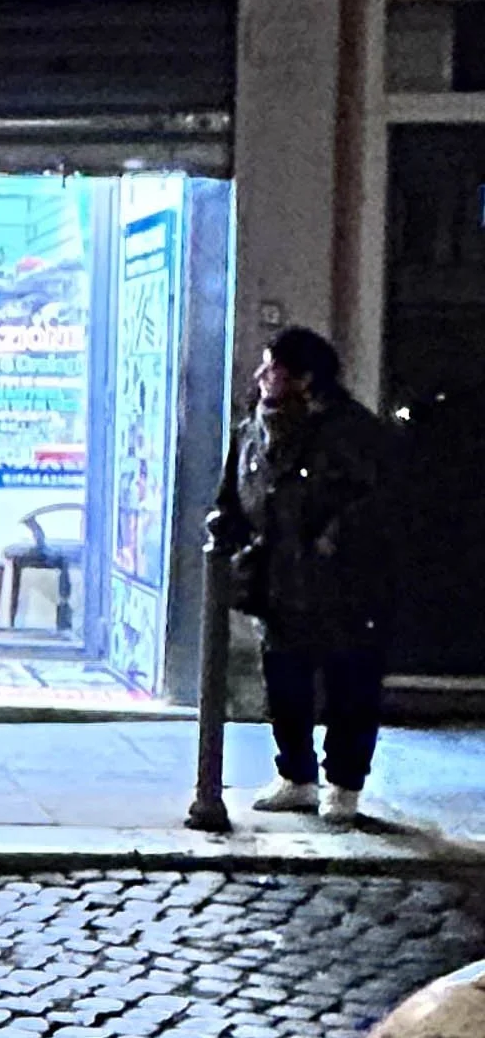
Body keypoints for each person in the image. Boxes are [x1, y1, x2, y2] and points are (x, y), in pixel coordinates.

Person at [206, 326, 400, 825]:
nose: (261, 376)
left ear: (305, 378)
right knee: (284, 682)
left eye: (272, 368)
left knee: (348, 683)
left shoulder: (351, 431)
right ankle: (296, 774)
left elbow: (377, 502)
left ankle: (344, 782)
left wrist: (334, 540)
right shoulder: (252, 430)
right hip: (276, 580)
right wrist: (227, 535)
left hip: (342, 586)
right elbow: (234, 493)